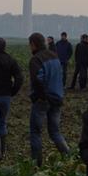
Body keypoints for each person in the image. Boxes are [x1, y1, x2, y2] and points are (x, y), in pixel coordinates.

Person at [27, 33, 68, 166]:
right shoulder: (54, 56)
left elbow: (37, 80)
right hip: (57, 98)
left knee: (35, 132)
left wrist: (40, 96)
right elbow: (60, 76)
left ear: (33, 44)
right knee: (55, 131)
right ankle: (69, 156)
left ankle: (36, 164)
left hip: (43, 100)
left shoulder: (36, 60)